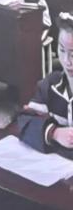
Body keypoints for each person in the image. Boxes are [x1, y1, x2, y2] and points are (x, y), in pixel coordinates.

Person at [18, 13, 73, 158]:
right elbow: (25, 121)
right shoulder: (51, 85)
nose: (67, 61)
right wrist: (54, 133)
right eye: (62, 50)